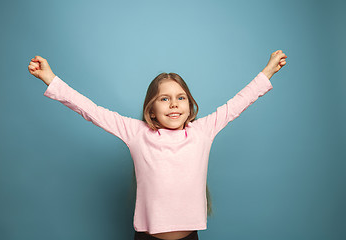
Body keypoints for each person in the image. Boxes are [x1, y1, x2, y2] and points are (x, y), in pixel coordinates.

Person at [28, 50, 287, 240]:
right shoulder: (135, 133)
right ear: (151, 110)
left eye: (180, 98)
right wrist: (50, 78)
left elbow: (237, 103)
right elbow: (90, 110)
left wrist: (268, 72)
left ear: (189, 106)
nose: (174, 104)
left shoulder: (203, 131)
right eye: (164, 98)